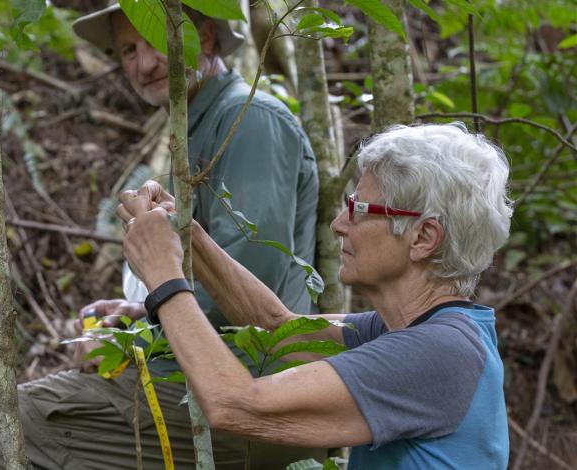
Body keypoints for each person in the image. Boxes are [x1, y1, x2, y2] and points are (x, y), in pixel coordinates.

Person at [0, 2, 322, 469]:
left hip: (255, 393)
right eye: (128, 50)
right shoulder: (195, 126)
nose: (144, 64)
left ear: (207, 37)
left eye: (155, 39)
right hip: (208, 379)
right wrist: (137, 315)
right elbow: (209, 281)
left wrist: (142, 332)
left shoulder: (249, 120)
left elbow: (256, 297)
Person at [118, 123, 512, 469]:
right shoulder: (424, 332)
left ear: (424, 237)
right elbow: (281, 329)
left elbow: (234, 404)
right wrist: (186, 235)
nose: (340, 224)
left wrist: (163, 275)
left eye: (359, 208)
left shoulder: (439, 352)